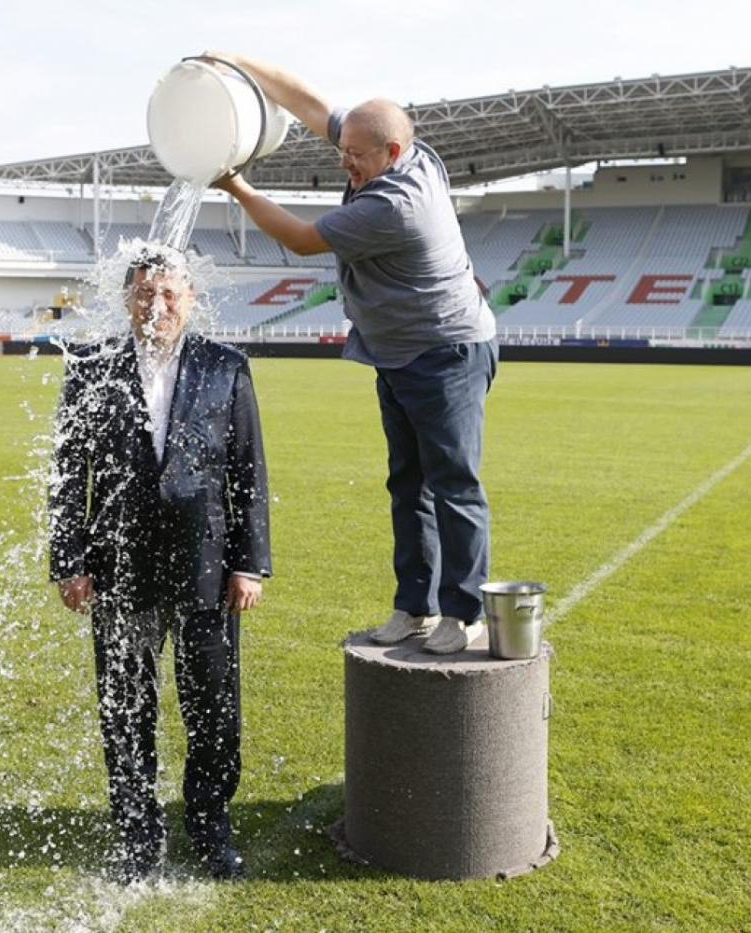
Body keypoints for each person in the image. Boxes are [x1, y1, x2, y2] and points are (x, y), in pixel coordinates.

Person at [208, 53, 497, 655]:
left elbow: (300, 240)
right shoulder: (401, 150)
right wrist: (238, 62)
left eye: (355, 155)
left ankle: (464, 613)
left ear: (391, 154)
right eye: (344, 150)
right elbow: (310, 105)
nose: (344, 161)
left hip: (444, 352)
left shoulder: (394, 206)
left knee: (453, 485)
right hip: (400, 351)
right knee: (408, 485)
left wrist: (235, 185)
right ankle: (415, 607)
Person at [49, 246, 271, 882]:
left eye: (170, 293)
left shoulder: (226, 366)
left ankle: (210, 827)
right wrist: (69, 560)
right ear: (127, 299)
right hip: (119, 562)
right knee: (124, 708)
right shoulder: (90, 368)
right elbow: (67, 473)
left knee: (214, 709)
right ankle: (137, 836)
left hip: (207, 564)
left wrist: (250, 564)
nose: (158, 305)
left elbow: (248, 470)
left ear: (191, 298)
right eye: (146, 293)